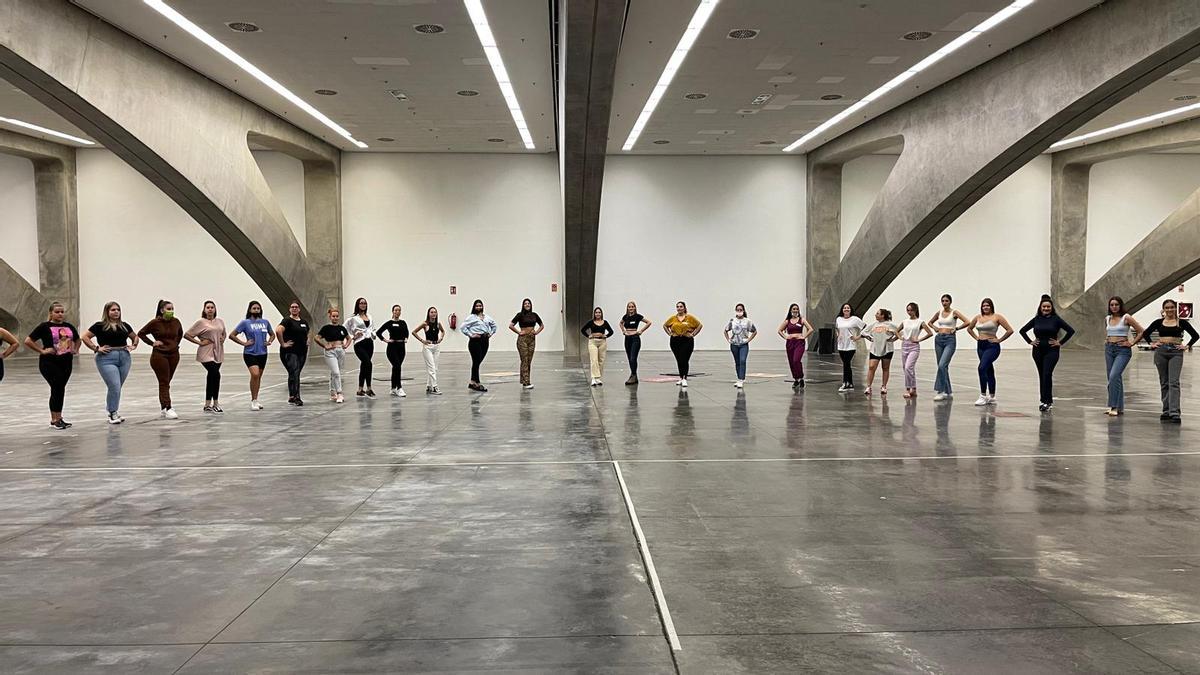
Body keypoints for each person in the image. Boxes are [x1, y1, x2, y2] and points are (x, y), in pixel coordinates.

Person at [24, 302, 80, 429]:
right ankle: (54, 419)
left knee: (60, 389)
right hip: (49, 362)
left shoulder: (68, 326)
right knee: (57, 387)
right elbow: (28, 340)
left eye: (62, 312)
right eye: (57, 312)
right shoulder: (44, 326)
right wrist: (42, 351)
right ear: (51, 313)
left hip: (66, 361)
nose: (60, 314)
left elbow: (77, 339)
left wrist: (75, 349)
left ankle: (59, 417)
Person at [82, 301, 139, 424]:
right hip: (106, 357)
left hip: (124, 356)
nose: (116, 312)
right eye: (113, 310)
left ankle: (113, 410)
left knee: (118, 386)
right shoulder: (99, 326)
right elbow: (85, 337)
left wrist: (133, 346)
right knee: (114, 385)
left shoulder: (124, 326)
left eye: (118, 309)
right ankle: (112, 412)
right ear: (107, 312)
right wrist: (96, 348)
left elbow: (135, 337)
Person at [1142, 298, 1197, 423]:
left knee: (1174, 382)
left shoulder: (1181, 322)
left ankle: (1174, 412)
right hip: (1161, 352)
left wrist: (1186, 346)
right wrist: (1151, 343)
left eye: (1172, 307)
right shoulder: (1158, 322)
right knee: (1164, 382)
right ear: (1164, 309)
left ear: (1175, 308)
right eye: (1167, 308)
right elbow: (1146, 333)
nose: (1170, 310)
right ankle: (1166, 410)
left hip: (1175, 353)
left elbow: (1195, 335)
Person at [1019, 294, 1076, 412]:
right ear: (1040, 308)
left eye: (1048, 307)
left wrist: (1060, 342)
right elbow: (1022, 331)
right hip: (1038, 351)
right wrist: (1030, 341)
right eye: (1044, 307)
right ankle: (1043, 400)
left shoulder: (1056, 319)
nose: (1046, 309)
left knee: (1047, 374)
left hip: (1052, 350)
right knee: (1041, 375)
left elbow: (1070, 331)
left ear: (1052, 308)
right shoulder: (1036, 319)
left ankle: (1048, 401)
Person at [138, 299, 184, 419]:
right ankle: (167, 407)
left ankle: (164, 406)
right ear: (162, 310)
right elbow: (141, 333)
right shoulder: (155, 323)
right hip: (160, 355)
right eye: (169, 309)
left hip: (174, 354)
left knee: (167, 381)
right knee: (163, 381)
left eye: (172, 309)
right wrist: (152, 343)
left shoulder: (176, 321)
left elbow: (180, 334)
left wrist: (175, 344)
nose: (171, 311)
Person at [966, 298, 1015, 406]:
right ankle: (992, 396)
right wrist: (976, 337)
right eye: (983, 306)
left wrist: (999, 340)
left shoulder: (997, 317)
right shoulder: (978, 317)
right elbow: (969, 328)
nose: (985, 307)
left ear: (991, 306)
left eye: (987, 305)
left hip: (992, 346)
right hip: (981, 346)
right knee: (988, 370)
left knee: (981, 367)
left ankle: (983, 395)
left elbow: (1010, 330)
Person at [1103, 296, 1144, 417]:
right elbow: (1109, 331)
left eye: (1116, 304)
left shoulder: (1126, 317)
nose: (1114, 307)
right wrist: (1107, 340)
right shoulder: (1107, 318)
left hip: (1123, 350)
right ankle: (1119, 406)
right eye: (1112, 305)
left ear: (1120, 305)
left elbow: (1141, 331)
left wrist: (1132, 343)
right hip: (1109, 349)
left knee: (1114, 375)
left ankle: (1113, 406)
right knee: (1113, 378)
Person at [230, 300, 275, 410]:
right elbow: (232, 335)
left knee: (258, 377)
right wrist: (244, 343)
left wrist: (269, 341)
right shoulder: (245, 323)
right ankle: (253, 400)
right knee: (254, 374)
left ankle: (256, 399)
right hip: (250, 353)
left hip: (263, 353)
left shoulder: (265, 322)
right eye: (254, 308)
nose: (256, 310)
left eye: (258, 308)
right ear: (250, 310)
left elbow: (272, 334)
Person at [184, 300, 227, 414]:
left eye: (212, 307)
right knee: (216, 374)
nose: (210, 309)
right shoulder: (201, 322)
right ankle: (216, 403)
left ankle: (207, 404)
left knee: (211, 377)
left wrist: (223, 338)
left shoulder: (220, 321)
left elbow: (224, 333)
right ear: (204, 309)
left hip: (218, 351)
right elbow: (187, 335)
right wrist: (200, 342)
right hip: (206, 352)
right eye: (207, 307)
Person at [927, 294, 970, 401]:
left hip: (950, 340)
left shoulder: (954, 312)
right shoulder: (939, 313)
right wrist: (935, 328)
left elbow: (967, 321)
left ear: (950, 302)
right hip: (939, 339)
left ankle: (940, 391)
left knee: (942, 365)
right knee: (942, 366)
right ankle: (948, 391)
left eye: (946, 301)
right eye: (943, 301)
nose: (944, 303)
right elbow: (929, 322)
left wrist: (957, 328)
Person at [277, 301, 311, 406]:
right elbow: (278, 330)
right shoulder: (287, 321)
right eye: (292, 307)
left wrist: (308, 339)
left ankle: (291, 395)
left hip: (302, 352)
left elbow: (308, 331)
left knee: (294, 373)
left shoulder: (304, 322)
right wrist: (283, 343)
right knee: (295, 372)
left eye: (296, 307)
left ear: (299, 309)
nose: (294, 309)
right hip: (290, 352)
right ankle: (297, 397)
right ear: (290, 309)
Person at [460, 299, 498, 392]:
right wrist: (471, 334)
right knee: (476, 361)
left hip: (485, 340)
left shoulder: (487, 317)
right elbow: (462, 327)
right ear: (474, 307)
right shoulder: (471, 317)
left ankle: (472, 381)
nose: (478, 307)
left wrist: (491, 333)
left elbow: (494, 325)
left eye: (480, 306)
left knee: (478, 361)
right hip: (475, 341)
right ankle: (477, 382)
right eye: (477, 306)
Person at [897, 302, 933, 399]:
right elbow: (897, 330)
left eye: (911, 310)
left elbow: (930, 333)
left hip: (914, 346)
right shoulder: (905, 321)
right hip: (904, 345)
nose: (909, 312)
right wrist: (900, 337)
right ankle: (913, 388)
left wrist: (919, 339)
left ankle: (908, 389)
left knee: (909, 367)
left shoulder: (920, 322)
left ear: (915, 310)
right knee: (906, 368)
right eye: (908, 310)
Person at [663, 301, 702, 387]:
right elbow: (665, 325)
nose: (679, 308)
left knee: (685, 359)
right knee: (679, 359)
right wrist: (670, 333)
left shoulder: (690, 318)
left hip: (687, 340)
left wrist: (693, 334)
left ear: (684, 308)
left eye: (681, 306)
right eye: (677, 307)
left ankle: (685, 378)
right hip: (675, 340)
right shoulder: (673, 318)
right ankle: (681, 377)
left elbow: (699, 325)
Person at [315, 308, 350, 403]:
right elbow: (316, 338)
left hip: (340, 351)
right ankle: (339, 393)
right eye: (333, 316)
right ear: (330, 317)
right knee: (336, 372)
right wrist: (325, 345)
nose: (335, 318)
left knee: (334, 373)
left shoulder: (342, 328)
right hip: (330, 352)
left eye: (337, 316)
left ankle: (332, 392)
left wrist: (346, 345)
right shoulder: (326, 328)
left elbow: (348, 338)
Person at [861, 309, 898, 396]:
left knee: (885, 368)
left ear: (883, 315)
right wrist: (870, 338)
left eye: (877, 313)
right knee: (871, 367)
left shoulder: (890, 324)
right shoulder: (873, 325)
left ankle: (884, 386)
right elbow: (863, 332)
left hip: (887, 349)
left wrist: (893, 339)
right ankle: (868, 387)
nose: (875, 315)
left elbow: (900, 332)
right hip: (875, 349)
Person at [509, 299, 544, 390]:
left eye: (528, 303)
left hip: (532, 339)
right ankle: (526, 382)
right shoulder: (520, 315)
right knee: (524, 360)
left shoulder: (534, 315)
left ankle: (524, 380)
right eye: (525, 304)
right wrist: (518, 332)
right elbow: (511, 325)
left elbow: (542, 325)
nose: (527, 305)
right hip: (522, 339)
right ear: (523, 305)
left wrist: (536, 332)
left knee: (529, 360)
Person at [344, 297, 376, 398]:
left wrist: (373, 334)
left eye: (365, 303)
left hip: (369, 343)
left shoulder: (369, 316)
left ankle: (361, 388)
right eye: (361, 303)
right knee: (368, 363)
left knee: (364, 365)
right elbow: (344, 328)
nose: (363, 305)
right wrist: (353, 336)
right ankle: (369, 387)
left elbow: (372, 328)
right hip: (359, 343)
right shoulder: (353, 318)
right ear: (358, 305)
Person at [777, 303, 813, 389]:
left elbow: (811, 329)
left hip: (799, 343)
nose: (795, 310)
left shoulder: (802, 320)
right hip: (790, 343)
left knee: (796, 360)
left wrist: (804, 336)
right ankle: (796, 379)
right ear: (790, 310)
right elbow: (779, 330)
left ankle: (801, 377)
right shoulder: (787, 321)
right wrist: (786, 337)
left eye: (797, 309)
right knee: (791, 362)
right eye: (794, 309)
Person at [376, 305, 409, 397]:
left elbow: (406, 332)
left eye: (399, 310)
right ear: (392, 311)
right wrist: (386, 340)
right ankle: (399, 387)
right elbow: (378, 332)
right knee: (397, 366)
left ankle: (393, 388)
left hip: (401, 347)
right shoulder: (389, 323)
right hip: (392, 348)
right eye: (396, 310)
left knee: (396, 368)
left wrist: (406, 338)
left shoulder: (403, 323)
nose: (397, 312)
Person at [724, 303, 757, 389]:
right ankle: (739, 378)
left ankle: (742, 379)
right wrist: (728, 339)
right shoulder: (732, 321)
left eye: (740, 310)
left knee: (742, 360)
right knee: (737, 362)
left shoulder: (748, 321)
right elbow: (726, 330)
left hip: (743, 344)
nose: (739, 311)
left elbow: (754, 331)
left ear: (743, 311)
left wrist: (749, 339)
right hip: (734, 344)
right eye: (737, 310)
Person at [414, 307, 445, 395]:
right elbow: (414, 332)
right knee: (431, 367)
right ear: (428, 314)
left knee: (434, 368)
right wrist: (422, 340)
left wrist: (441, 338)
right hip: (428, 347)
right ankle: (434, 387)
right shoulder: (425, 324)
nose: (433, 314)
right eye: (431, 312)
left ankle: (428, 385)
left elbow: (443, 331)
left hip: (436, 346)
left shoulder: (438, 324)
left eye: (435, 312)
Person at [835, 303, 866, 392]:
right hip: (841, 345)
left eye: (848, 308)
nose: (846, 309)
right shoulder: (839, 319)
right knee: (846, 364)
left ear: (851, 310)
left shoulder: (855, 319)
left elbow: (865, 327)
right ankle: (850, 383)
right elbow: (837, 328)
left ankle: (845, 383)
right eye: (844, 308)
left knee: (846, 363)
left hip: (851, 345)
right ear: (842, 310)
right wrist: (838, 334)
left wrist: (857, 337)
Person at [581, 306, 615, 386]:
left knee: (601, 360)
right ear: (594, 314)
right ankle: (593, 378)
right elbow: (583, 330)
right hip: (593, 342)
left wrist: (606, 336)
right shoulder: (591, 322)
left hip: (602, 342)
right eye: (596, 312)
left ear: (601, 313)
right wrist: (588, 335)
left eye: (599, 312)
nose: (598, 314)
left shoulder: (605, 322)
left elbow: (611, 331)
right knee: (594, 360)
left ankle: (598, 378)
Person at [621, 301, 651, 385]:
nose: (631, 308)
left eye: (632, 307)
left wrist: (641, 331)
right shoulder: (625, 317)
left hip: (635, 338)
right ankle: (634, 376)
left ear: (635, 308)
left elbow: (648, 322)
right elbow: (620, 323)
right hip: (627, 338)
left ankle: (633, 375)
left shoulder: (638, 316)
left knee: (633, 358)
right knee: (629, 358)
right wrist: (623, 331)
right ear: (627, 308)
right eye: (629, 307)